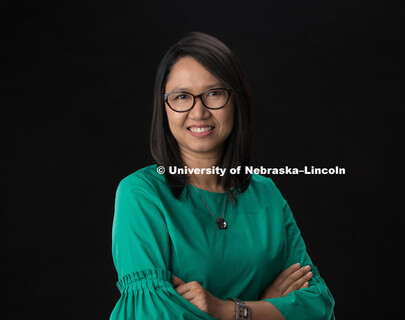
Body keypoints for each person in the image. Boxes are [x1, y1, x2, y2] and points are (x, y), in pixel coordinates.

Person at [110, 31, 335, 320]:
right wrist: (265, 309)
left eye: (214, 93)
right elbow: (151, 315)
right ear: (164, 108)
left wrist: (229, 310)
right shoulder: (140, 194)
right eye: (181, 97)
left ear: (236, 101)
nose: (198, 111)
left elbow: (318, 306)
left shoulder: (266, 193)